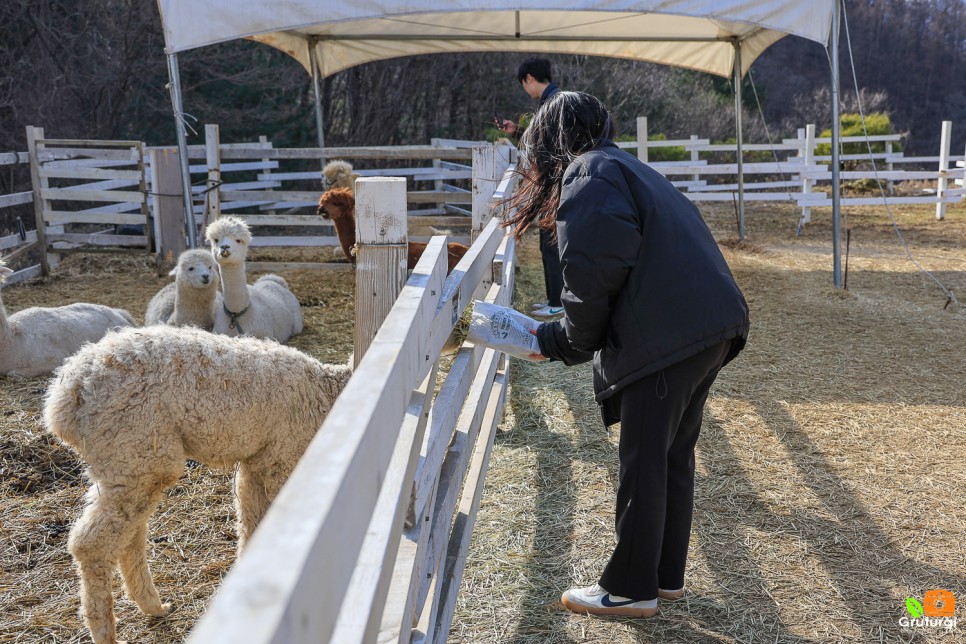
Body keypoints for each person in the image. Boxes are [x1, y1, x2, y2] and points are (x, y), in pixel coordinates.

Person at [504, 91, 749, 618]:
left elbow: (594, 271)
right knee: (670, 455)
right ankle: (662, 577)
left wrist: (561, 340)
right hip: (708, 325)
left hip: (667, 333)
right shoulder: (623, 165)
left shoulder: (588, 174)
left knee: (644, 460)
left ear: (549, 140)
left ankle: (630, 588)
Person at [496, 57, 564, 319]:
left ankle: (558, 301)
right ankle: (554, 297)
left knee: (551, 243)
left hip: (554, 182)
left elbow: (547, 144)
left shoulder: (552, 103)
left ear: (529, 79)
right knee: (550, 242)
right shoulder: (554, 101)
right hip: (555, 180)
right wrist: (518, 132)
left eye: (524, 84)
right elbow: (541, 139)